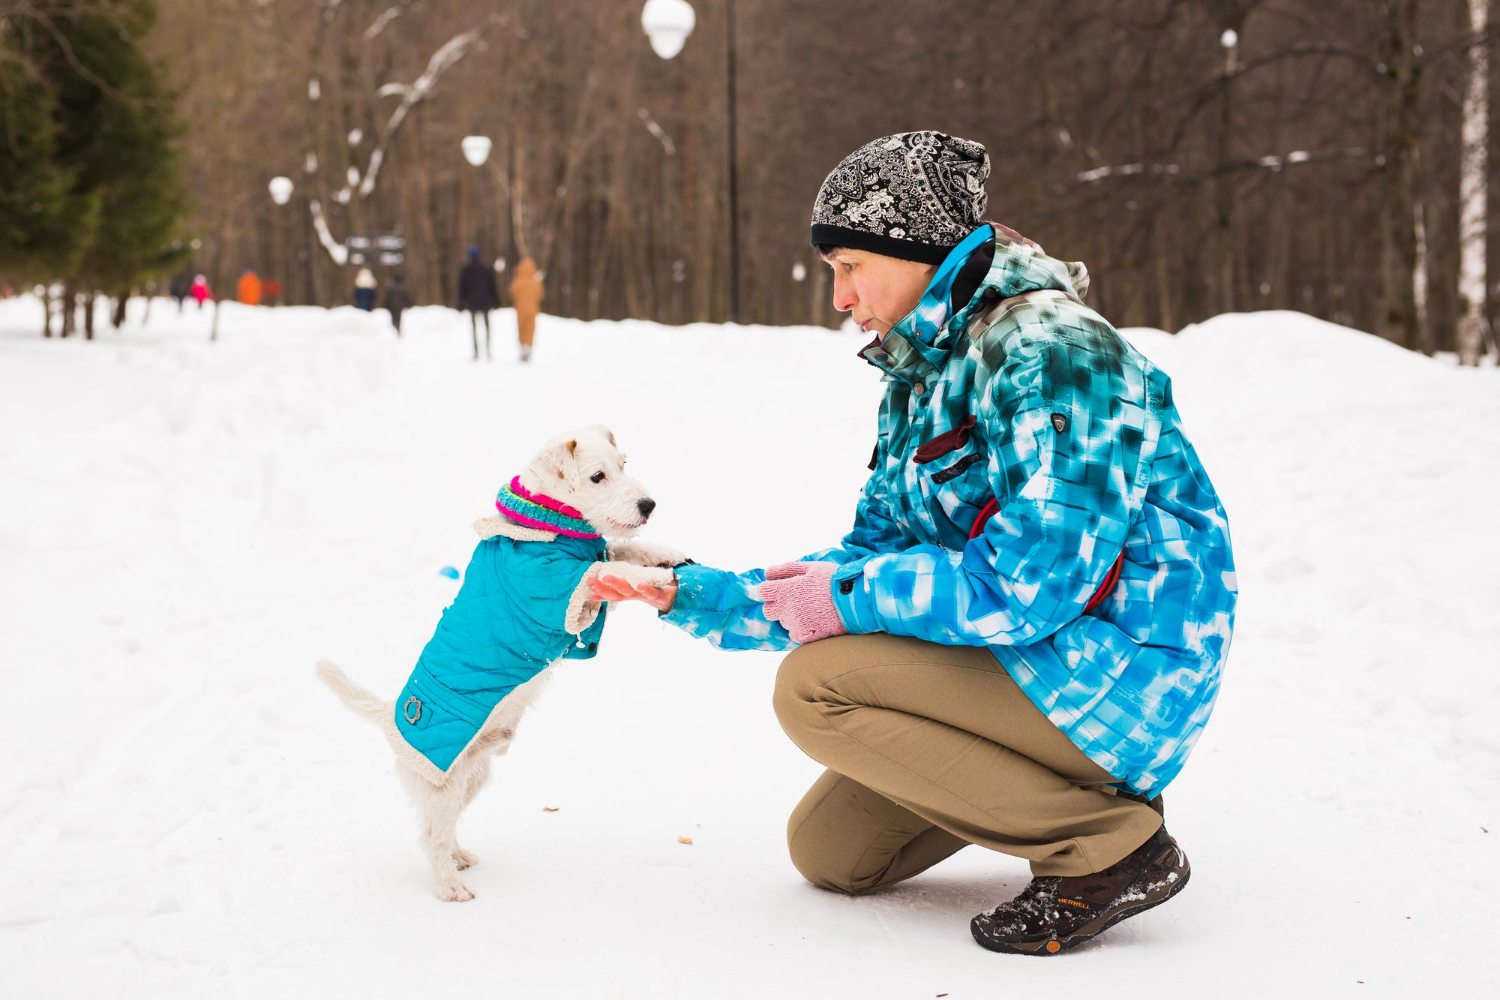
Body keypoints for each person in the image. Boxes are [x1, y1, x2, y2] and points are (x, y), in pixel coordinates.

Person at [588, 132, 1237, 956]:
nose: (839, 297)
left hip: (1125, 675)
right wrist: (696, 591)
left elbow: (1033, 587)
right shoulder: (925, 374)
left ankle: (1110, 848)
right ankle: (1081, 799)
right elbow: (874, 552)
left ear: (920, 250)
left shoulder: (1056, 353)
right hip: (1039, 661)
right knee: (832, 854)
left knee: (815, 689)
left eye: (850, 265)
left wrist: (842, 602)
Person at [457, 245, 499, 361]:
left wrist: (460, 303)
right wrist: (496, 301)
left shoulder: (466, 270)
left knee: (474, 328)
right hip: (485, 302)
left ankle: (476, 351)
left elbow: (462, 288)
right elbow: (492, 287)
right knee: (486, 327)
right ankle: (488, 350)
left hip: (472, 303)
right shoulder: (486, 269)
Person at [509, 257, 543, 362]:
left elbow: (513, 293)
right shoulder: (535, 281)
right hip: (532, 309)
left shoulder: (517, 281)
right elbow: (539, 295)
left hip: (521, 309)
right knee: (530, 329)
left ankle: (522, 347)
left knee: (521, 328)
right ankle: (529, 347)